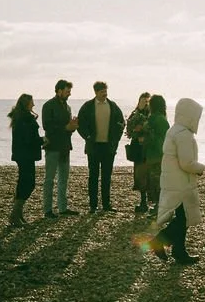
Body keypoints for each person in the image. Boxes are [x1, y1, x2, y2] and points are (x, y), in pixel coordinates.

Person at [147, 97, 205, 265]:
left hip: (173, 180)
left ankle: (179, 251)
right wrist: (200, 168)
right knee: (183, 218)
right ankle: (159, 241)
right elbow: (186, 163)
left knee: (182, 217)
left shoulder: (174, 130)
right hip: (181, 182)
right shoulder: (183, 134)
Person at [77, 81, 126, 213]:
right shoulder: (88, 106)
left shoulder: (113, 106)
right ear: (96, 92)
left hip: (108, 147)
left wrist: (115, 140)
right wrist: (87, 137)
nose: (105, 94)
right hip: (93, 146)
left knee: (106, 176)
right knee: (93, 176)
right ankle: (93, 205)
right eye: (102, 91)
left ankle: (106, 204)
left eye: (105, 91)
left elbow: (121, 123)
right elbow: (80, 124)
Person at [41, 79, 80, 218]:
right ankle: (47, 210)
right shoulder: (48, 106)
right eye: (67, 91)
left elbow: (68, 129)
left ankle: (62, 207)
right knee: (50, 179)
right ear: (59, 91)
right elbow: (47, 126)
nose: (69, 93)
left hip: (65, 146)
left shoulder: (67, 107)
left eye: (70, 91)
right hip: (52, 146)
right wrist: (66, 127)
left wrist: (73, 126)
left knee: (64, 178)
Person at [7, 93, 43, 226]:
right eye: (31, 102)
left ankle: (17, 214)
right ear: (26, 104)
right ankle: (15, 215)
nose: (33, 104)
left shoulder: (19, 118)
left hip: (21, 155)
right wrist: (42, 140)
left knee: (23, 182)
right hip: (26, 155)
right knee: (28, 183)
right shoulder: (25, 119)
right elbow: (29, 139)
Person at [142, 94, 169, 218]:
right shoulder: (162, 119)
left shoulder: (154, 119)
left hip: (155, 154)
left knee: (155, 181)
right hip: (161, 153)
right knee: (158, 181)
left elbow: (155, 137)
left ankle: (159, 208)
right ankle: (159, 207)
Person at [125, 92, 152, 214]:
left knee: (149, 174)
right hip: (137, 148)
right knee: (139, 174)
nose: (145, 104)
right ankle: (143, 201)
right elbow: (129, 130)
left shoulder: (151, 115)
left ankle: (149, 202)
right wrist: (134, 131)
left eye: (147, 101)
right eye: (143, 101)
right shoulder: (134, 114)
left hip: (148, 148)